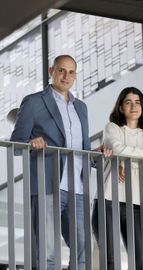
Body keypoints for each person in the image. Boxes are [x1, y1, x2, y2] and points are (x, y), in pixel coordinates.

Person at [10, 55, 111, 270]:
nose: (66, 76)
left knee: (83, 248)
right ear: (51, 71)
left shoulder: (81, 107)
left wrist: (95, 153)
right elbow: (16, 144)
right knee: (47, 251)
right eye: (61, 70)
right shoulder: (33, 101)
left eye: (71, 72)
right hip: (48, 184)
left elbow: (81, 148)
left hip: (78, 188)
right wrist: (31, 142)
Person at [91, 87, 143, 269]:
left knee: (141, 262)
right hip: (107, 201)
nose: (134, 106)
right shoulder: (112, 127)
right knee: (109, 260)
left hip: (137, 204)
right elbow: (116, 149)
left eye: (138, 102)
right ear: (121, 107)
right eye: (128, 102)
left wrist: (124, 162)